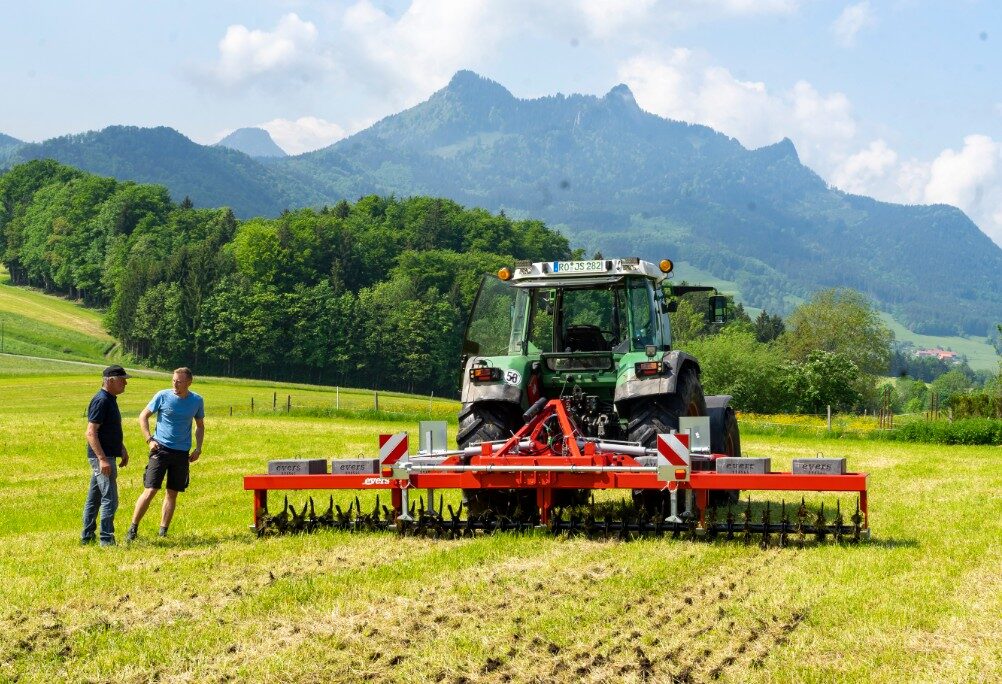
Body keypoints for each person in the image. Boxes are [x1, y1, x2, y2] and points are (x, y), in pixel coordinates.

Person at [126, 367, 204, 541]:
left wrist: (198, 448)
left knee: (172, 492)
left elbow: (200, 425)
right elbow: (143, 416)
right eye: (173, 380)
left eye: (179, 381)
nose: (175, 384)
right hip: (160, 450)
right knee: (151, 489)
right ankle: (132, 529)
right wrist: (149, 439)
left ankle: (163, 531)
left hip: (182, 453)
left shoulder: (197, 400)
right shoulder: (162, 396)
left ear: (189, 382)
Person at [82, 365, 131, 546]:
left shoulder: (110, 399)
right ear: (110, 380)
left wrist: (121, 448)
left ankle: (87, 538)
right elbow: (90, 432)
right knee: (110, 498)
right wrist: (102, 459)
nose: (125, 382)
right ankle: (106, 540)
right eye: (122, 379)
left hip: (108, 454)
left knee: (94, 499)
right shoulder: (101, 400)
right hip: (101, 458)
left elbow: (110, 430)